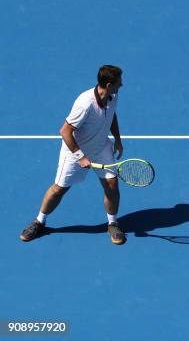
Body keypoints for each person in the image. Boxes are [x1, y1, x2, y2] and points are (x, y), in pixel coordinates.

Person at [20, 65, 127, 244]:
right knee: (60, 188)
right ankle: (39, 222)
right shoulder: (85, 104)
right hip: (75, 151)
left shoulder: (113, 95)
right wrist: (80, 156)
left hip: (101, 147)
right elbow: (64, 131)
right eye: (119, 82)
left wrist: (117, 138)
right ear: (109, 84)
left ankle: (112, 223)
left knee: (112, 184)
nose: (121, 84)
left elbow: (111, 115)